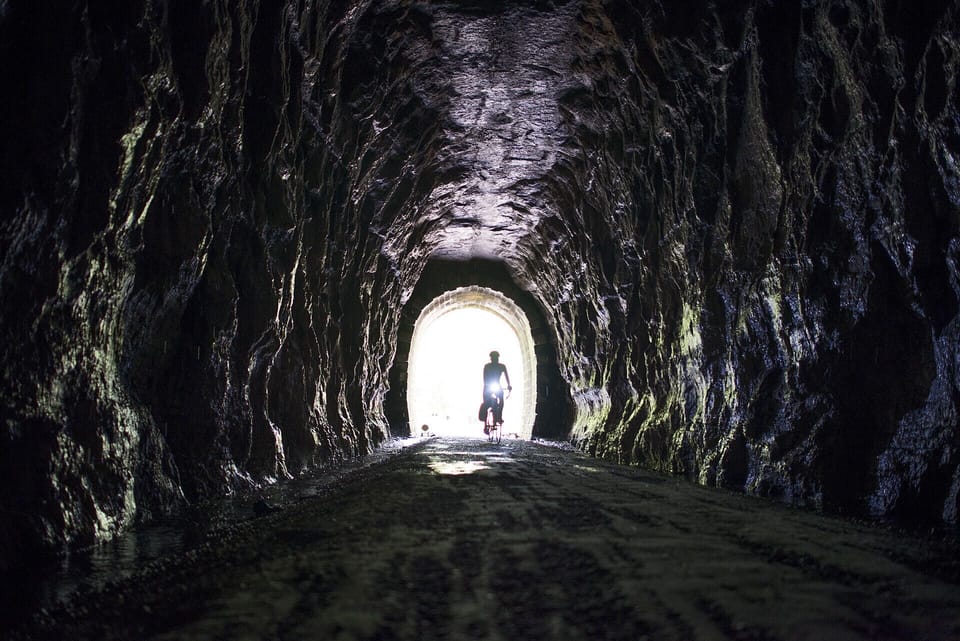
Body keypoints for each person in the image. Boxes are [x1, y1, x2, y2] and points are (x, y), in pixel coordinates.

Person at [481, 350, 512, 428]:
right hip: (488, 386)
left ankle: (499, 417)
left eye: (496, 358)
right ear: (491, 358)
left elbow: (506, 376)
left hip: (497, 385)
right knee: (486, 404)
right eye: (493, 358)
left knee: (501, 401)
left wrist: (509, 385)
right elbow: (484, 377)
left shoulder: (502, 366)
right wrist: (486, 385)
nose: (494, 359)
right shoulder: (487, 366)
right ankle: (485, 424)